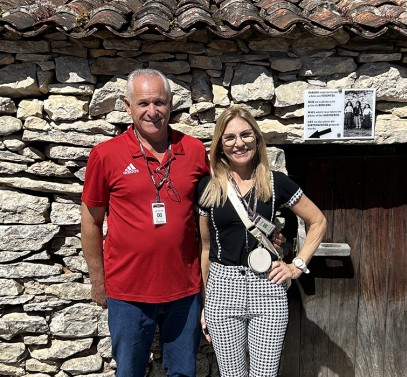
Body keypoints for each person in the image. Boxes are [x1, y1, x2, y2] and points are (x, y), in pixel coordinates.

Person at [80, 68, 210, 377]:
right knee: (129, 372)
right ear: (128, 106)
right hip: (127, 292)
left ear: (170, 104)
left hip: (184, 290)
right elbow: (90, 222)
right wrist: (99, 283)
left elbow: (212, 213)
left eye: (159, 102)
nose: (152, 111)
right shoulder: (105, 155)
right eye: (143, 103)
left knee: (183, 373)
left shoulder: (192, 151)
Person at [196, 106, 327, 376]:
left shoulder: (277, 183)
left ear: (257, 138)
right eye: (229, 137)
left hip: (267, 286)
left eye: (246, 135)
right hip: (223, 288)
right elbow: (206, 248)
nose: (239, 143)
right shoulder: (208, 187)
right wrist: (206, 303)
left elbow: (318, 221)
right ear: (220, 145)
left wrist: (296, 266)